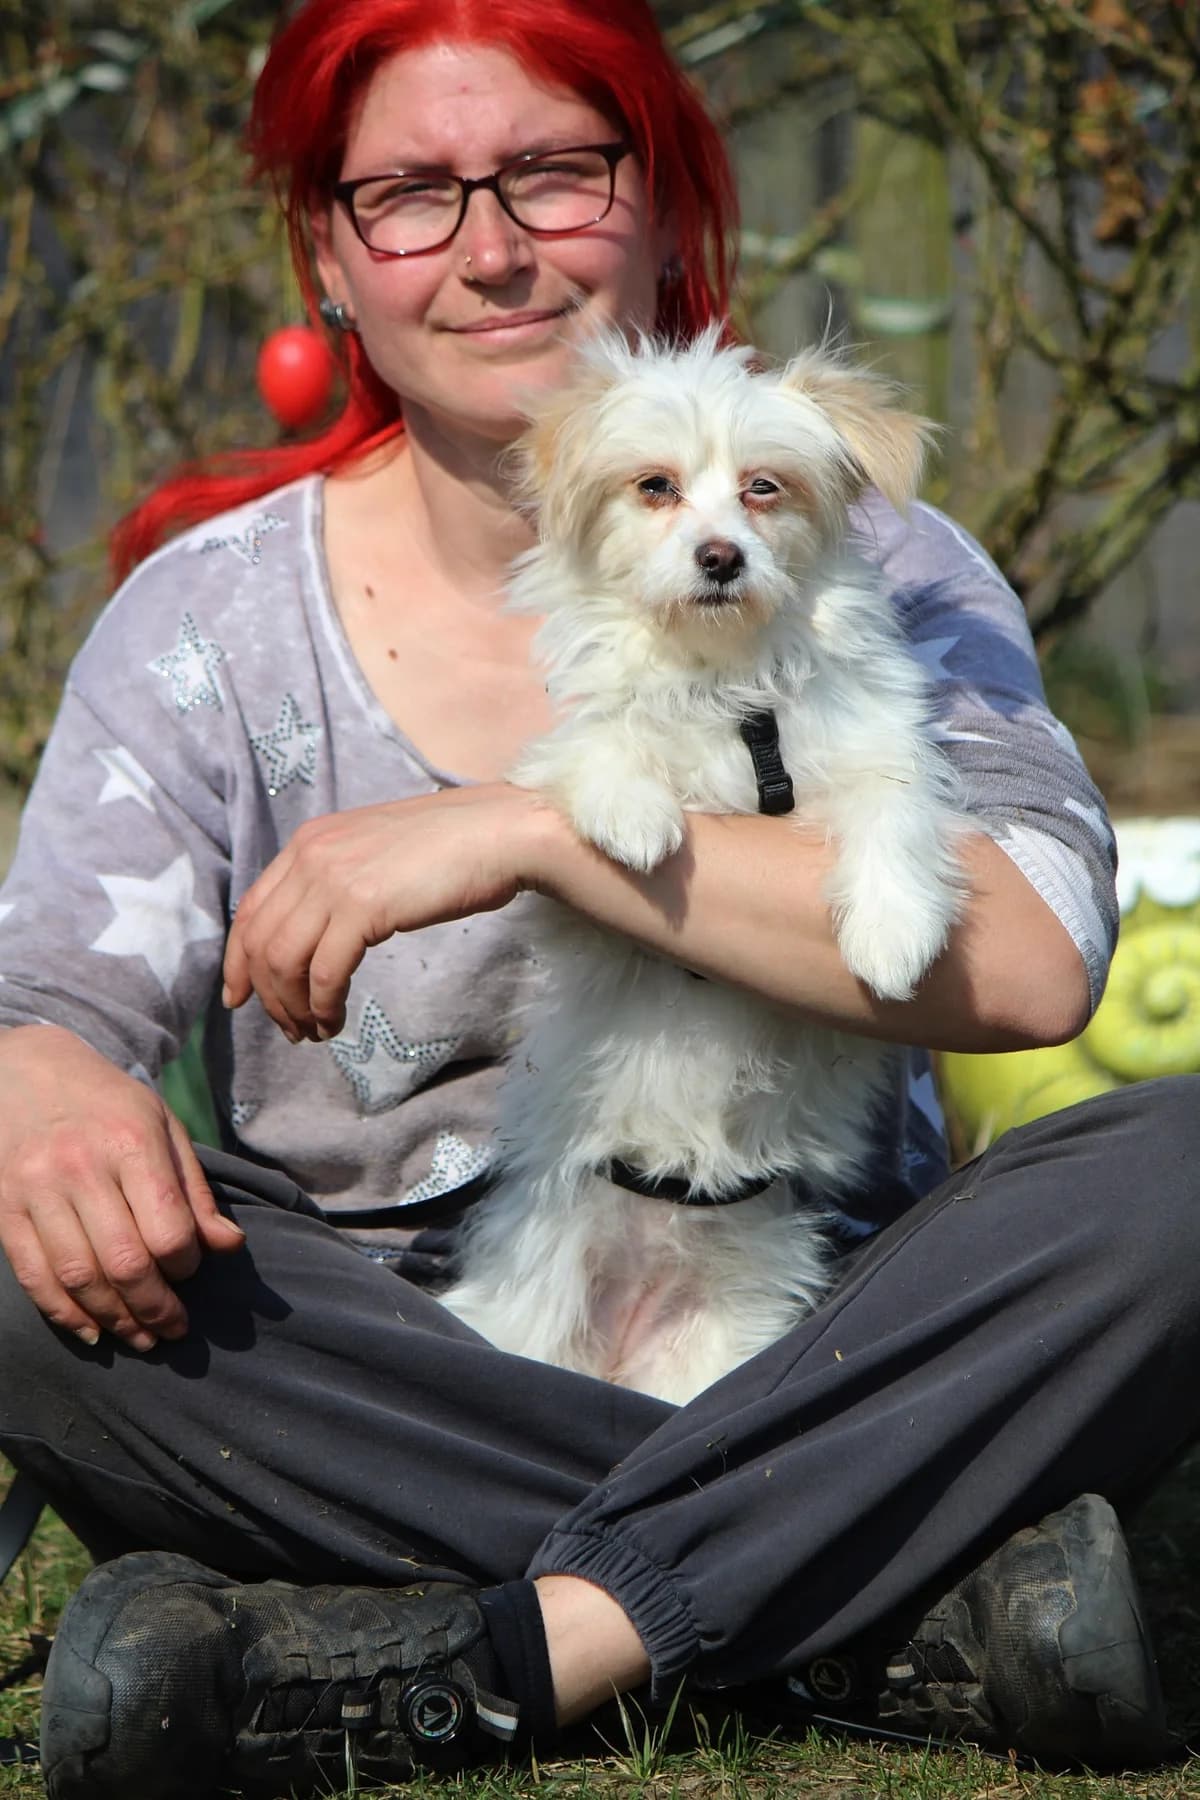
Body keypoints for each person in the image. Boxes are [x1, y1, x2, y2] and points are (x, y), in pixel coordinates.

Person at [1, 1, 1197, 1794]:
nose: (490, 248)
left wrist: (542, 834)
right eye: (408, 193)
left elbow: (1029, 963)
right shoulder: (208, 622)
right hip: (391, 1348)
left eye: (554, 171)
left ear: (660, 204)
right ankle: (867, 1595)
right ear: (330, 255)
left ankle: (464, 1644)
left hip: (817, 1314)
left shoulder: (880, 564)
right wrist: (44, 1090)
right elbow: (45, 1015)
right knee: (31, 1259)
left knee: (1173, 1172)